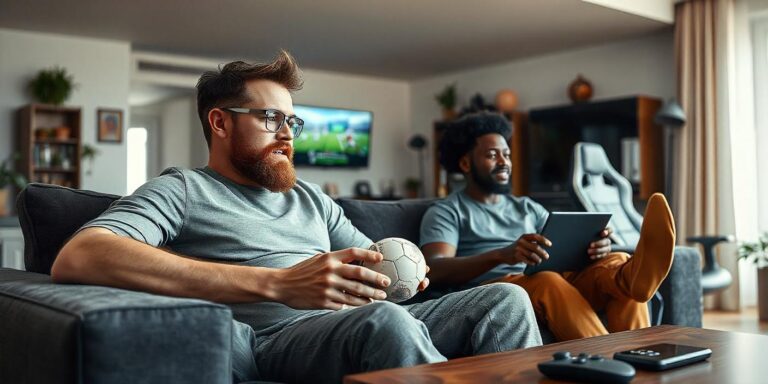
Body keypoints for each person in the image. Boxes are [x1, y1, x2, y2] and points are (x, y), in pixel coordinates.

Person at [50, 52, 541, 383]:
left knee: (506, 298)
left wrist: (399, 272)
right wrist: (277, 284)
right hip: (275, 337)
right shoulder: (183, 188)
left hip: (359, 319)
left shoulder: (310, 199)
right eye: (270, 119)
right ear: (219, 122)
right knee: (385, 324)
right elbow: (80, 255)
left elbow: (372, 264)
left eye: (292, 121)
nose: (287, 135)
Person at [420, 112, 676, 342]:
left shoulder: (527, 207)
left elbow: (559, 243)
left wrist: (594, 247)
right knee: (546, 280)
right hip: (499, 291)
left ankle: (635, 283)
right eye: (491, 154)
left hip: (549, 280)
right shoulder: (447, 210)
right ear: (465, 164)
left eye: (507, 154)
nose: (504, 161)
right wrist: (502, 254)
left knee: (617, 263)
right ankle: (607, 361)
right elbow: (435, 267)